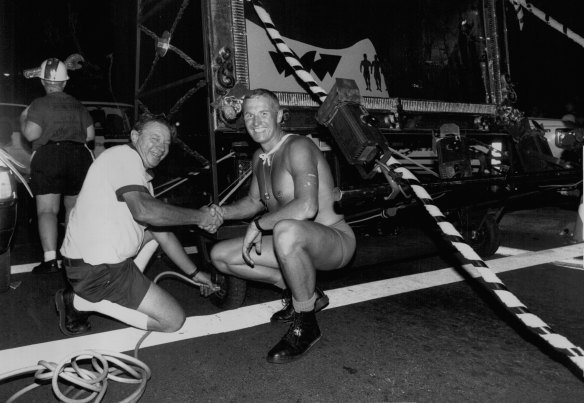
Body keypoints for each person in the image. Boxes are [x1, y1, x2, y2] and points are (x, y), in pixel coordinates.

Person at [210, 89, 356, 363]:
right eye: (249, 115)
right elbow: (254, 201)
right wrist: (221, 212)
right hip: (290, 239)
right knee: (221, 256)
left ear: (279, 116)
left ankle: (306, 322)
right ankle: (304, 294)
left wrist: (257, 225)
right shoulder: (260, 158)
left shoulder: (297, 146)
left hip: (334, 241)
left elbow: (306, 207)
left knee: (285, 229)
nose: (256, 122)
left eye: (264, 113)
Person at [56, 113, 222, 336]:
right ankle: (81, 302)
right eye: (154, 138)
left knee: (156, 231)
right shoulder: (123, 157)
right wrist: (201, 217)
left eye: (166, 143)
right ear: (135, 136)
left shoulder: (138, 176)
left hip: (89, 263)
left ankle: (124, 288)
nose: (161, 147)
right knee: (173, 320)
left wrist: (195, 274)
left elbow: (162, 233)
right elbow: (145, 210)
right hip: (98, 271)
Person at [20, 58, 95, 274]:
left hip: (49, 156)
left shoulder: (39, 104)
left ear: (43, 81)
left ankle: (50, 259)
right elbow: (89, 135)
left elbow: (31, 134)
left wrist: (23, 119)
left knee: (47, 210)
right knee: (73, 208)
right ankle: (73, 255)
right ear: (65, 82)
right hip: (79, 156)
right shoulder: (77, 104)